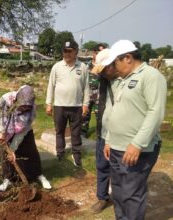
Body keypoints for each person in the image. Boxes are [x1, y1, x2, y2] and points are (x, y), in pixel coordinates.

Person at [102, 40, 167, 219]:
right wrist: (109, 139)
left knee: (131, 194)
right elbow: (117, 111)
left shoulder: (151, 76)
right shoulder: (123, 80)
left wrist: (137, 144)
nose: (114, 68)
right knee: (118, 191)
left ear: (128, 58)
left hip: (136, 150)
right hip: (116, 147)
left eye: (115, 62)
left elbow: (156, 112)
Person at [0, 85, 52, 191]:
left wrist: (13, 148)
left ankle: (39, 175)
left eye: (27, 107)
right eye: (23, 106)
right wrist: (1, 130)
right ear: (17, 99)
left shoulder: (32, 110)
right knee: (6, 156)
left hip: (24, 132)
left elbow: (23, 131)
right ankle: (7, 179)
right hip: (5, 131)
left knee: (31, 152)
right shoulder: (6, 99)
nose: (25, 109)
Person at [45, 40, 90, 166]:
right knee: (59, 131)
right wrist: (49, 103)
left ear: (75, 51)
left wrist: (85, 104)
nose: (67, 53)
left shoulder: (82, 67)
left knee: (76, 132)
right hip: (60, 106)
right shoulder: (57, 67)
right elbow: (51, 86)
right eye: (65, 51)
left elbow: (86, 87)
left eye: (70, 51)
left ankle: (76, 155)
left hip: (76, 106)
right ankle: (60, 154)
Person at [89, 49, 120, 213]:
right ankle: (102, 198)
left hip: (120, 135)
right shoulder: (102, 79)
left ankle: (120, 197)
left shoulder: (123, 81)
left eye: (104, 69)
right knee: (102, 165)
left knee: (119, 168)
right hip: (103, 131)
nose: (102, 73)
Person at [81, 43, 107, 137]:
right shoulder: (85, 66)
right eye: (98, 52)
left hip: (100, 95)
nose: (100, 54)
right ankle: (83, 133)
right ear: (93, 54)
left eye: (102, 52)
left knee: (99, 115)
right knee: (84, 115)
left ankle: (100, 135)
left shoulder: (105, 67)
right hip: (87, 94)